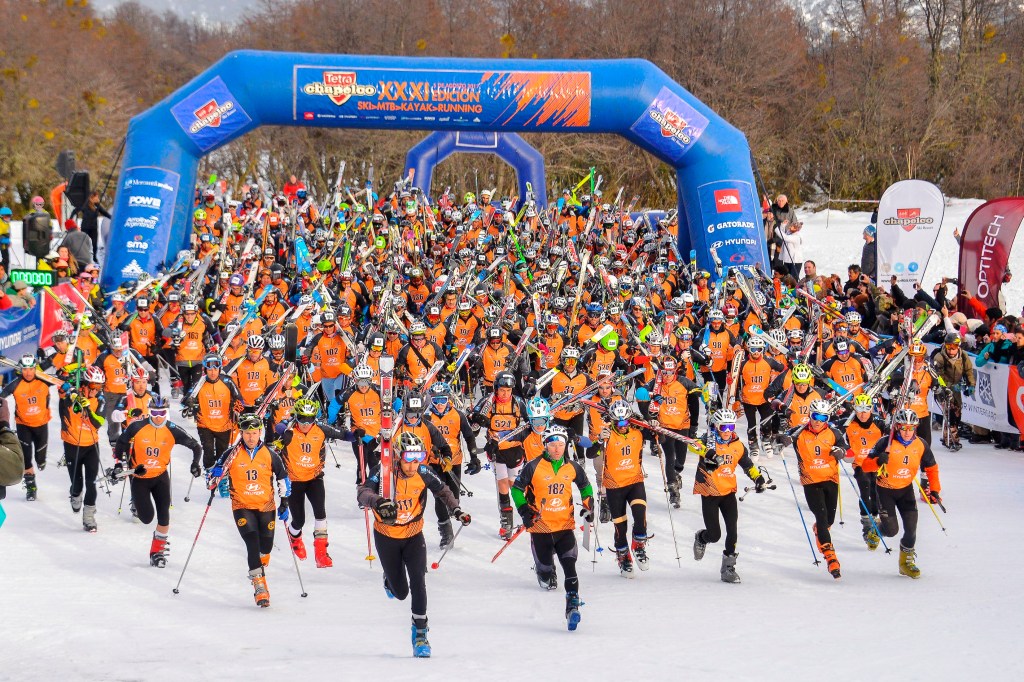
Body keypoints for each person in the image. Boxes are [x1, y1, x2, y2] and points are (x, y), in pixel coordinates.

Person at [357, 432, 471, 657]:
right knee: (400, 592)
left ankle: (420, 633)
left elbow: (443, 491)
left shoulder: (424, 471)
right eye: (409, 458)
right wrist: (378, 502)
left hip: (413, 534)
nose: (413, 463)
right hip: (386, 535)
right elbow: (362, 493)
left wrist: (457, 510)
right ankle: (389, 579)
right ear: (399, 455)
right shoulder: (385, 471)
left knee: (419, 581)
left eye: (417, 457)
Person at [512, 425, 593, 631]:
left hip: (564, 526)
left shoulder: (572, 466)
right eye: (552, 445)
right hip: (540, 527)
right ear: (545, 445)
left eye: (560, 445)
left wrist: (587, 506)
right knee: (547, 572)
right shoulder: (533, 466)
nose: (557, 449)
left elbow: (585, 486)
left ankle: (572, 606)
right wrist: (524, 511)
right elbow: (517, 490)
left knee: (571, 567)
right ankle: (544, 571)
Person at [207, 412, 290, 607]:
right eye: (246, 433)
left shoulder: (270, 454)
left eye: (254, 433)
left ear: (260, 432)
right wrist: (215, 474)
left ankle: (260, 561)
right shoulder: (231, 454)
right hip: (242, 506)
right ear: (241, 433)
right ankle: (260, 586)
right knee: (252, 543)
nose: (250, 437)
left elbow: (282, 478)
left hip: (266, 505)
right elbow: (210, 482)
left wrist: (285, 501)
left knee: (265, 547)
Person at [113, 396, 202, 567]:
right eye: (154, 412)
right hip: (140, 479)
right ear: (149, 411)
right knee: (146, 518)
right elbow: (121, 443)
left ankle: (157, 553)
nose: (158, 416)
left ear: (166, 412)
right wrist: (119, 464)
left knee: (164, 517)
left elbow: (196, 446)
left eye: (162, 413)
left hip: (160, 477)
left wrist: (195, 464)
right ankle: (138, 508)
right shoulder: (138, 426)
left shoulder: (172, 429)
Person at [862, 408, 941, 578]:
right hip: (885, 490)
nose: (907, 432)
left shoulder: (921, 444)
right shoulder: (885, 442)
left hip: (906, 490)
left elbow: (932, 467)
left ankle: (906, 563)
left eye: (911, 428)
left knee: (911, 529)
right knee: (891, 530)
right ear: (897, 427)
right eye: (903, 427)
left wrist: (935, 489)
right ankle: (875, 530)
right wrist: (878, 461)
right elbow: (865, 465)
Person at [692, 409, 765, 583]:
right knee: (715, 535)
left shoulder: (738, 445)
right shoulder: (707, 440)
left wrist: (758, 478)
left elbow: (747, 465)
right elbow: (691, 444)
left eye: (730, 426)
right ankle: (702, 537)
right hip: (709, 492)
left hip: (728, 492)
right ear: (717, 426)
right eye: (723, 426)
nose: (727, 431)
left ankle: (728, 568)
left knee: (732, 530)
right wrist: (706, 452)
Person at [278, 398, 347, 568]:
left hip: (315, 477)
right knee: (299, 520)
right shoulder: (290, 428)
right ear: (297, 417)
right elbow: (279, 426)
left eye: (310, 419)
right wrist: (284, 433)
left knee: (320, 513)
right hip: (294, 480)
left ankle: (321, 553)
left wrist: (356, 435)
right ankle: (294, 537)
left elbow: (340, 433)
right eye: (302, 419)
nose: (305, 423)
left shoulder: (320, 429)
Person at [792, 400, 849, 579]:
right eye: (816, 416)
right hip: (810, 481)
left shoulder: (834, 432)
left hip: (830, 479)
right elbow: (782, 437)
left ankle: (820, 531)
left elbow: (847, 449)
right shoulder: (800, 431)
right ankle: (831, 558)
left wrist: (841, 451)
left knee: (828, 520)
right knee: (822, 516)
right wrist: (782, 439)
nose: (818, 421)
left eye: (823, 417)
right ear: (810, 414)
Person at [601, 400, 649, 577]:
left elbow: (661, 438)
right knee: (620, 526)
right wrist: (600, 439)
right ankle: (623, 556)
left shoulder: (637, 432)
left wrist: (650, 421)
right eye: (618, 423)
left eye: (625, 422)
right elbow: (591, 453)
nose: (622, 426)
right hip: (615, 485)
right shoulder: (608, 435)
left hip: (634, 480)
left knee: (640, 514)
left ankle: (639, 543)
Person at [58, 365, 107, 532]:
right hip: (72, 445)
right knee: (77, 484)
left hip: (91, 446)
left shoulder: (100, 400)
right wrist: (68, 393)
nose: (96, 390)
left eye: (99, 386)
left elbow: (97, 423)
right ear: (85, 383)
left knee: (91, 483)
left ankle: (89, 517)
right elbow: (62, 402)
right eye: (93, 386)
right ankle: (75, 494)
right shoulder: (73, 396)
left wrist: (86, 407)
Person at [1, 355, 52, 501]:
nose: (28, 373)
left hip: (41, 424)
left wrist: (68, 383)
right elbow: (2, 396)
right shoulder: (16, 384)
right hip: (23, 425)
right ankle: (31, 487)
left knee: (40, 456)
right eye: (25, 369)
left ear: (35, 369)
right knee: (26, 458)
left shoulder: (44, 380)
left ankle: (41, 461)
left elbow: (63, 382)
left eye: (31, 369)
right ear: (20, 370)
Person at [70, 191, 111, 261]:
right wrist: (70, 219)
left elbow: (105, 213)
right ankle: (80, 256)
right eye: (96, 197)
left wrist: (113, 218)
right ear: (92, 198)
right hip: (85, 227)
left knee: (94, 243)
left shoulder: (97, 205)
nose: (98, 198)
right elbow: (75, 210)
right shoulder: (85, 204)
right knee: (83, 243)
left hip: (93, 228)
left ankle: (94, 257)